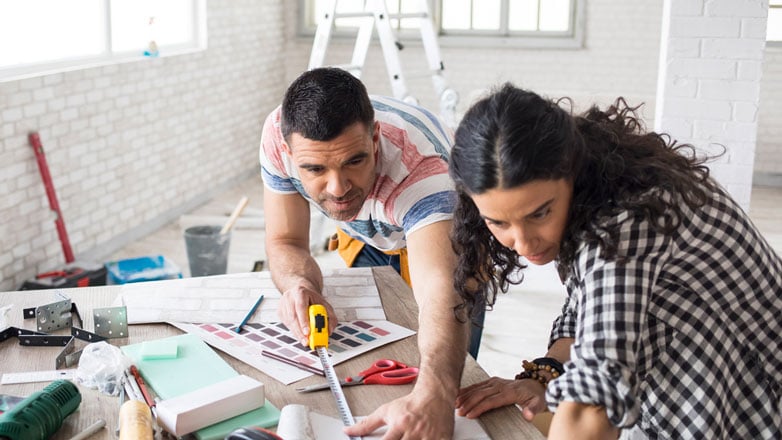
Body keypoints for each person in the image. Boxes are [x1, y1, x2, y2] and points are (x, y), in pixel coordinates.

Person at [448, 84, 781, 439]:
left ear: (571, 171)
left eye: (539, 213)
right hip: (695, 391)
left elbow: (591, 410)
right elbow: (589, 310)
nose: (523, 242)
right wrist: (544, 373)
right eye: (498, 222)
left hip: (758, 405)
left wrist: (572, 401)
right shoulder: (594, 193)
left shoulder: (627, 220)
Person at [259, 67, 471, 438]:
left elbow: (441, 293)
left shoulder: (423, 170)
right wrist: (299, 284)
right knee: (368, 369)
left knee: (446, 389)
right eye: (315, 169)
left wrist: (436, 393)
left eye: (353, 161)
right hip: (369, 234)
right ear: (288, 151)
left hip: (445, 237)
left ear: (374, 139)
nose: (338, 188)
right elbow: (286, 241)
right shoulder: (277, 134)